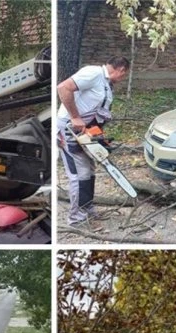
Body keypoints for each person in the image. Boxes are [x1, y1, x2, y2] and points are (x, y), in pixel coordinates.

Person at [57, 56, 129, 225]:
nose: (122, 78)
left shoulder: (105, 84)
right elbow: (63, 88)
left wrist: (98, 137)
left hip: (86, 131)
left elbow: (97, 111)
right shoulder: (93, 73)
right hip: (70, 130)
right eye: (124, 75)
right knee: (78, 174)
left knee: (89, 170)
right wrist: (75, 117)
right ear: (121, 70)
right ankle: (75, 218)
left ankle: (87, 207)